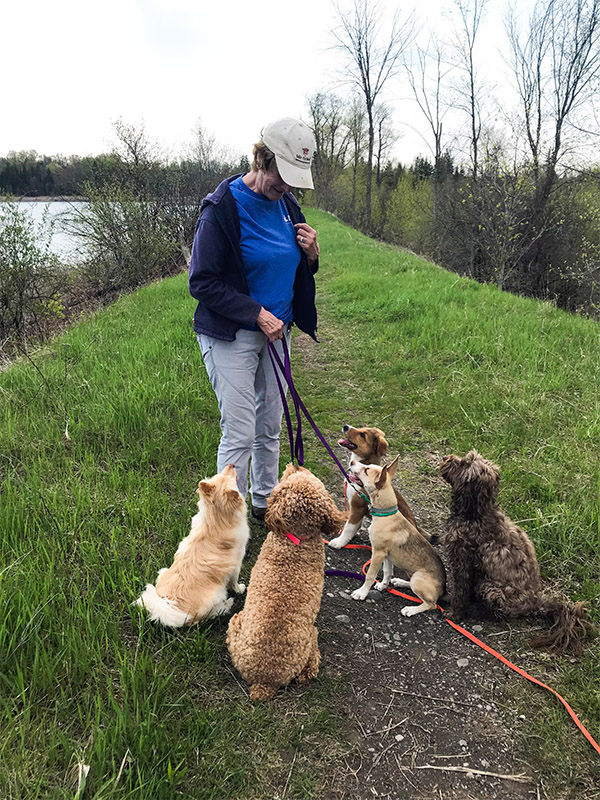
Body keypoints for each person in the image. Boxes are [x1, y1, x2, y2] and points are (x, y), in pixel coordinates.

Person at [188, 117, 320, 522]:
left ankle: (264, 504)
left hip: (277, 333)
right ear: (263, 160)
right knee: (240, 432)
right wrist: (256, 313)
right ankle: (226, 523)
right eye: (283, 177)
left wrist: (312, 254)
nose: (288, 187)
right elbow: (202, 282)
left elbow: (294, 266)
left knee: (271, 425)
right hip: (233, 335)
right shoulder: (222, 210)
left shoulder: (287, 204)